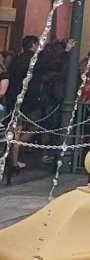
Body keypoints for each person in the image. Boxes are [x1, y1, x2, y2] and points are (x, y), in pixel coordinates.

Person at [5, 35, 41, 171]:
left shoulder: (17, 60)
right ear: (32, 45)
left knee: (15, 131)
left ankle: (12, 157)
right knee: (27, 128)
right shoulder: (33, 60)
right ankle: (13, 159)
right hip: (27, 100)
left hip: (14, 99)